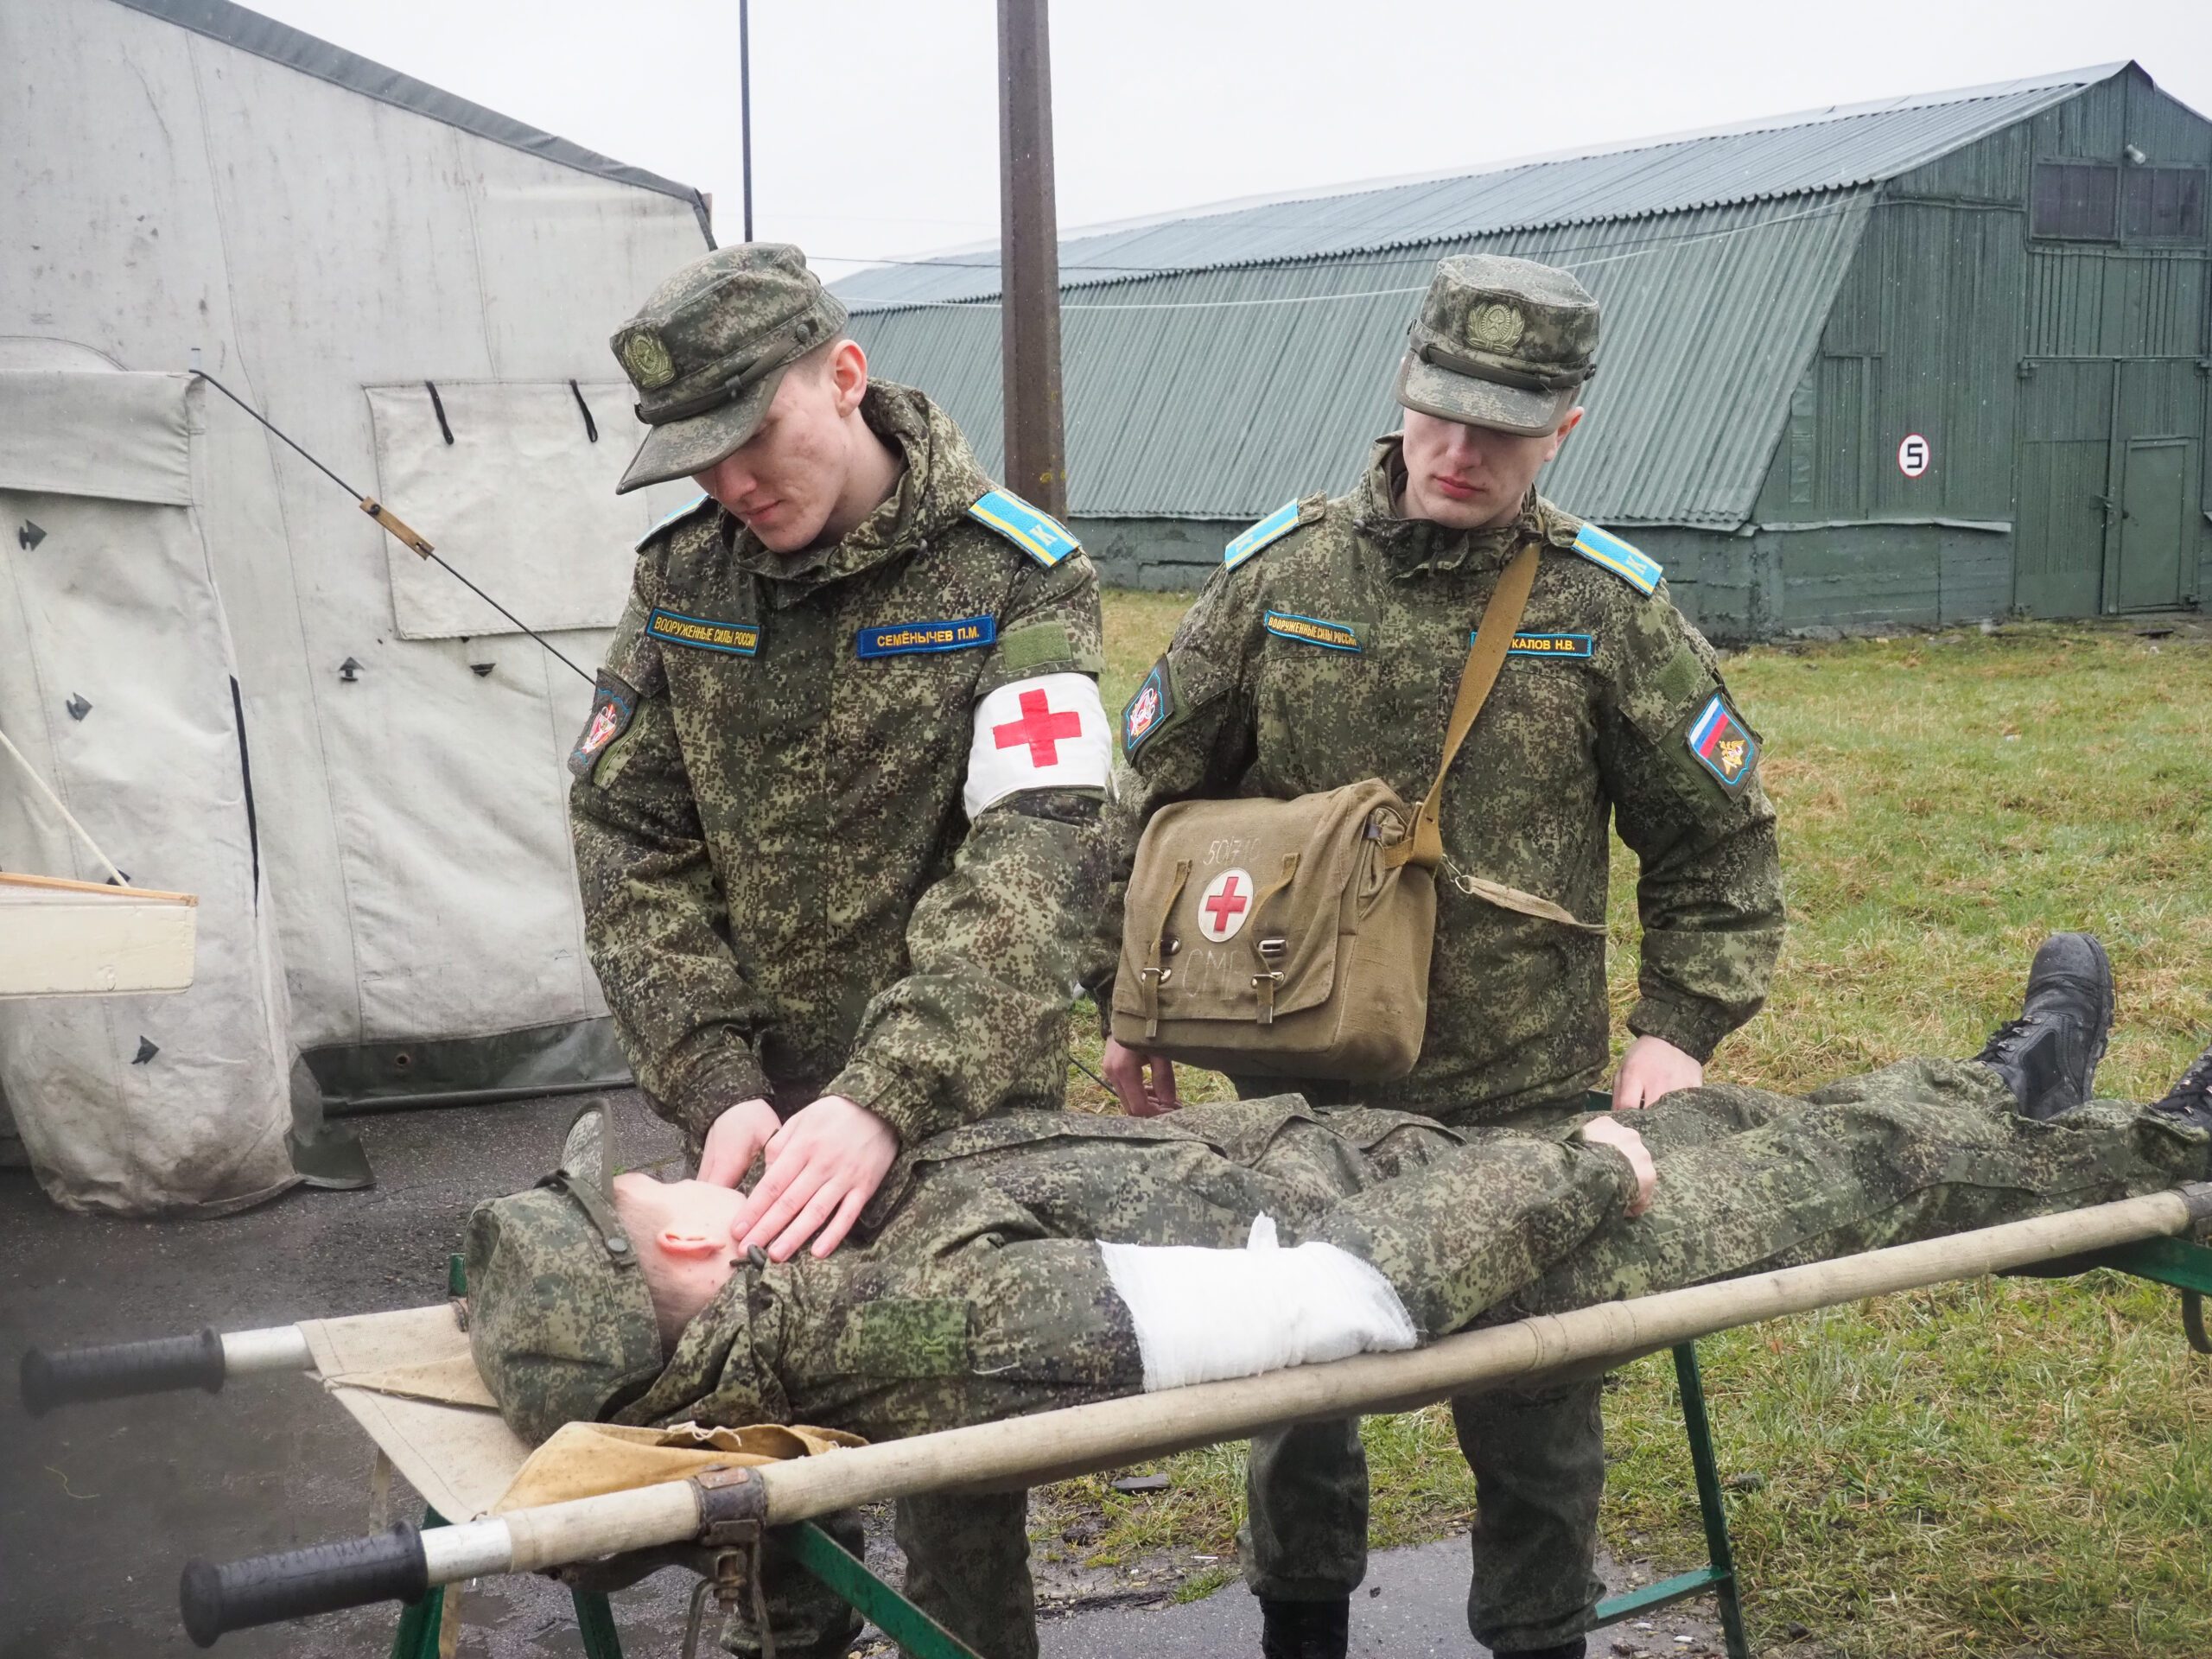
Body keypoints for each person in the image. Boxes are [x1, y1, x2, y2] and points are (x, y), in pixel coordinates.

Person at [1093, 253, 1789, 1659]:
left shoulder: (1607, 613)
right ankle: (1303, 1630)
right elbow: (1145, 800)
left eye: (1506, 426)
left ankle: (1539, 1637)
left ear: (1568, 427)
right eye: (1440, 412)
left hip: (1525, 1096)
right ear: (1403, 392)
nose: (1461, 451)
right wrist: (1134, 1004)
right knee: (1293, 1390)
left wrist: (1678, 1029)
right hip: (1303, 1084)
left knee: (1539, 1407)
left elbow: (1722, 845)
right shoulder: (1283, 578)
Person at [467, 936, 2212, 1483]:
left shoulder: (836, 1241)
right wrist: (1569, 1172)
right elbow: (1323, 1308)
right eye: (643, 1182)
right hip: (1460, 1226)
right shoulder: (926, 1322)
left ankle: (2013, 1086)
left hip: (1389, 1157)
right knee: (1834, 1176)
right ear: (689, 1250)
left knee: (1769, 1126)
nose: (669, 1156)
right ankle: (2155, 1151)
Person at [570, 242, 1111, 1659]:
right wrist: (712, 1077)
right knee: (764, 1474)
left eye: (754, 435)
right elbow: (629, 839)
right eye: (699, 460)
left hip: (956, 1122)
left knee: (957, 1481)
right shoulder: (687, 578)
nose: (733, 484)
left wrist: (888, 1096)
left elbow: (1039, 856)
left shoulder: (1016, 577)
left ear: (846, 377)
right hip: (747, 1119)